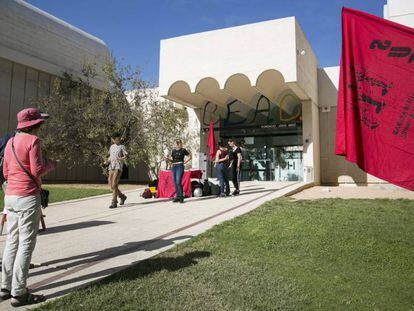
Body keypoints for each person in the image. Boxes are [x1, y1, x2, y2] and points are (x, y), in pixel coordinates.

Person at [1, 108, 56, 307]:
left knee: (12, 242)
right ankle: (19, 292)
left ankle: (5, 288)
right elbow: (37, 169)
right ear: (34, 124)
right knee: (26, 244)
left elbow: (6, 172)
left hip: (10, 197)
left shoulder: (10, 142)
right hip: (27, 197)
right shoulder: (33, 141)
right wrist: (51, 164)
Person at [106, 132, 128, 209]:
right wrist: (107, 161)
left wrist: (121, 158)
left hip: (118, 166)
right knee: (111, 185)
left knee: (114, 184)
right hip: (111, 166)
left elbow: (126, 156)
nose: (116, 140)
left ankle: (114, 202)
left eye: (117, 139)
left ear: (119, 139)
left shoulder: (122, 147)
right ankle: (122, 196)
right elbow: (110, 156)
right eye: (114, 139)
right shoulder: (111, 147)